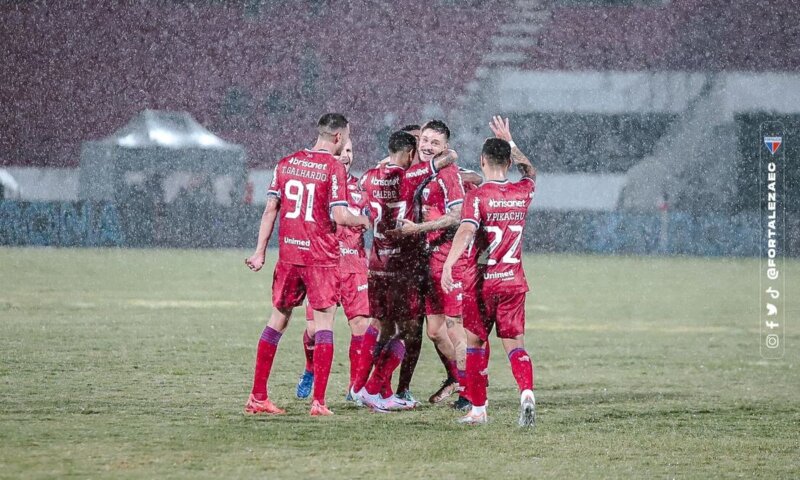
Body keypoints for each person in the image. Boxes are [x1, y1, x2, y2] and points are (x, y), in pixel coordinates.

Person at [243, 113, 371, 417]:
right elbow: (340, 217)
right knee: (324, 325)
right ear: (339, 138)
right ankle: (319, 403)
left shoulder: (286, 162)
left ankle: (258, 396)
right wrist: (362, 219)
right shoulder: (333, 167)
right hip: (320, 259)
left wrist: (260, 251)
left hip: (289, 255)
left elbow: (270, 209)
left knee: (277, 321)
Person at [441, 116, 537, 426]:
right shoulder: (523, 191)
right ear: (508, 162)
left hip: (481, 283)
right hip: (513, 282)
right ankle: (526, 393)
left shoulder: (478, 196)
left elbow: (466, 231)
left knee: (476, 343)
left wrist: (448, 262)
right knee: (515, 345)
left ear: (482, 161)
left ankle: (479, 410)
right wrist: (511, 141)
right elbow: (530, 170)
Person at [354, 130, 457, 411]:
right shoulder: (411, 176)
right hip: (402, 267)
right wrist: (441, 152)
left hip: (376, 265)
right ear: (411, 153)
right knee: (408, 330)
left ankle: (358, 386)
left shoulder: (368, 176)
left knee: (378, 325)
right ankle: (375, 390)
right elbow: (450, 158)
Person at [295, 139, 374, 402]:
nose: (345, 156)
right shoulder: (318, 185)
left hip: (354, 265)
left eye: (350, 151)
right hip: (323, 265)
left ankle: (355, 387)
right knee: (315, 331)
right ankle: (310, 369)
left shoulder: (363, 189)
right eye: (342, 151)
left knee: (361, 326)